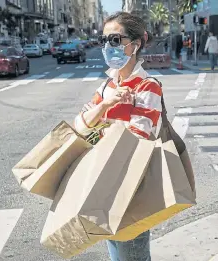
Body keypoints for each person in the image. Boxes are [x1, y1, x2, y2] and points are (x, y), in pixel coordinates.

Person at [74, 12, 161, 261]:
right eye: (104, 40)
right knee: (115, 254)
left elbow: (137, 139)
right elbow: (79, 126)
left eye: (115, 40)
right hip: (103, 183)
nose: (107, 47)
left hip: (130, 189)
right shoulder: (107, 87)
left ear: (137, 43)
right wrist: (105, 106)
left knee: (131, 254)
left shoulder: (147, 86)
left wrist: (100, 123)